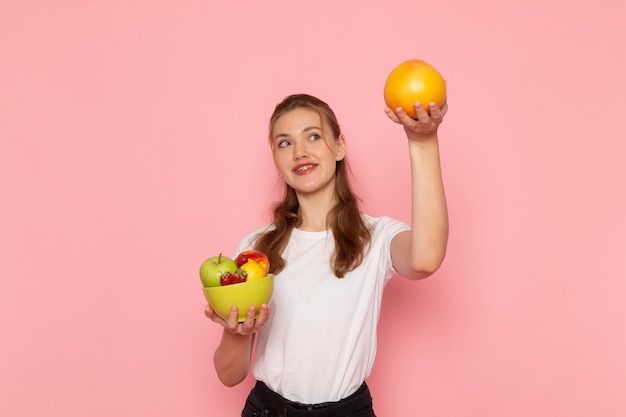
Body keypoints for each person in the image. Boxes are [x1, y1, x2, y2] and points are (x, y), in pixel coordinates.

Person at [204, 93, 449, 416]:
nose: (300, 152)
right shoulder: (255, 249)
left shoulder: (375, 237)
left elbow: (426, 258)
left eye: (313, 136)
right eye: (284, 143)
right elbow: (229, 375)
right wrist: (238, 333)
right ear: (276, 158)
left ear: (339, 147)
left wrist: (423, 141)